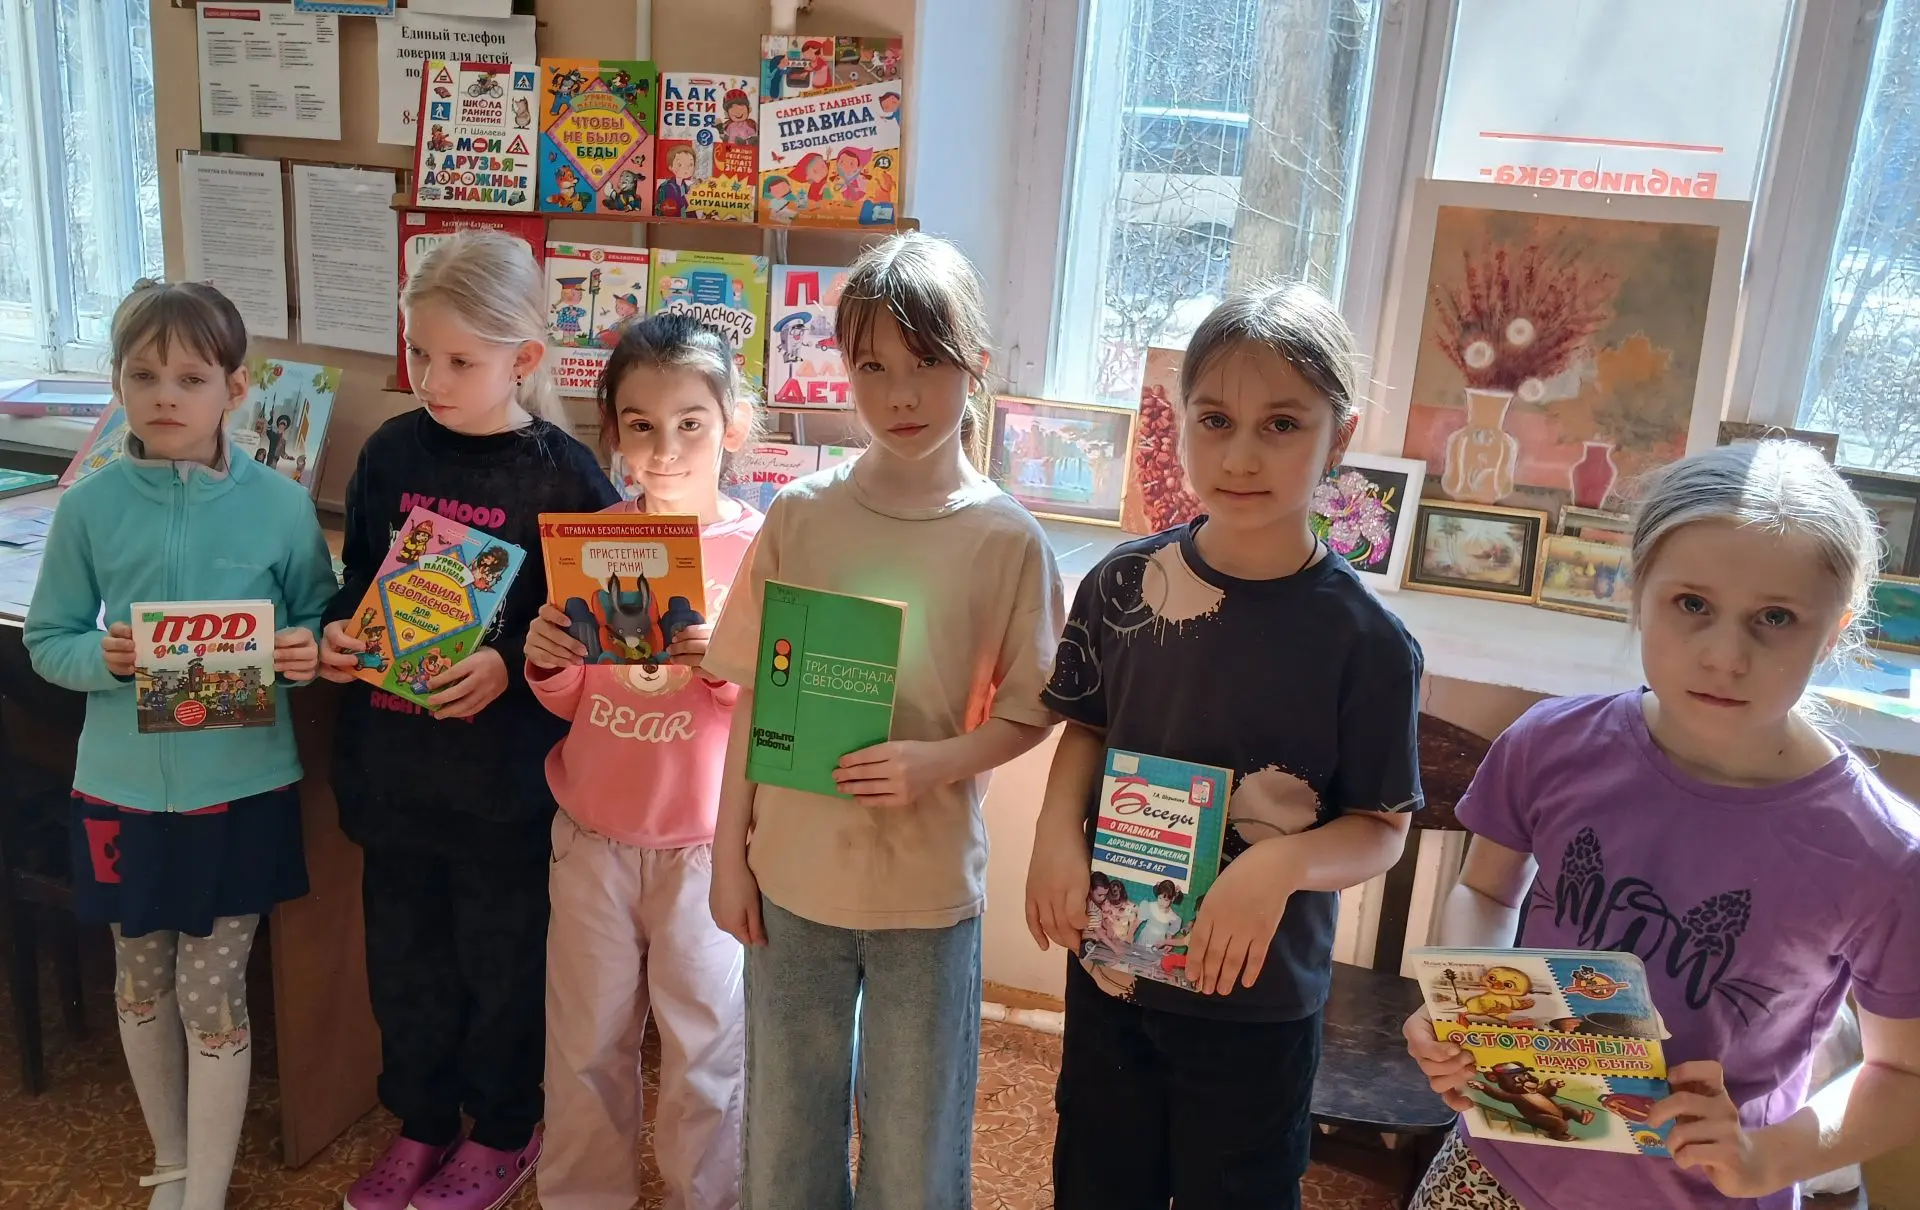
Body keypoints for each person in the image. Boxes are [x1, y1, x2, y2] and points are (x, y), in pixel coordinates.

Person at [1401, 440, 1920, 1210]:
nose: (1725, 656)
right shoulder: (1550, 744)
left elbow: (1903, 1072)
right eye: (1692, 605)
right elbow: (1485, 892)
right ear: (1638, 591)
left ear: (1834, 631)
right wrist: (1467, 1013)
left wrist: (1769, 1156)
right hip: (1497, 1167)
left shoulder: (1882, 852)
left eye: (1775, 618)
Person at [1025, 282, 1424, 1210]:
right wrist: (1053, 834)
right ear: (1179, 423)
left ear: (1339, 436)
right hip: (1114, 974)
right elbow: (1089, 725)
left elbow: (1381, 828)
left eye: (1281, 424)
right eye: (1216, 421)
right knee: (1097, 1182)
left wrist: (1279, 866)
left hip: (1257, 1001)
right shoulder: (1122, 583)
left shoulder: (1366, 643)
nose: (1241, 456)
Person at [703, 232, 1064, 1209]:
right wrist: (729, 856)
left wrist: (937, 762)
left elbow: (1031, 711)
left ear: (974, 365)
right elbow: (754, 695)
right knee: (786, 1145)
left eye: (927, 365)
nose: (901, 395)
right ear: (844, 371)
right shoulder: (801, 515)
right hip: (792, 882)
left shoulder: (1007, 538)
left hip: (926, 894)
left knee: (913, 1157)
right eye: (873, 368)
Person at [318, 232, 620, 1210]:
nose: (432, 378)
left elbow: (603, 629)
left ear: (523, 359)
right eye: (420, 352)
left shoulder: (566, 476)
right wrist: (338, 635)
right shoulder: (390, 451)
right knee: (406, 969)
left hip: (503, 790)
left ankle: (502, 1128)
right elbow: (357, 583)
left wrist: (510, 663)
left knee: (502, 970)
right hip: (395, 774)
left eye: (459, 360)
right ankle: (420, 1121)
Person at [24, 280, 335, 1210]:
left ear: (236, 390)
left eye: (191, 378)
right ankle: (171, 1161)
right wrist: (105, 659)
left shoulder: (279, 507)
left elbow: (319, 624)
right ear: (118, 382)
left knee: (211, 990)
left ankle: (205, 1187)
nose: (165, 395)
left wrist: (303, 651)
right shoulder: (89, 508)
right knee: (138, 981)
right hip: (119, 789)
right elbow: (50, 639)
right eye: (143, 375)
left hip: (238, 791)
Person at [528, 313, 764, 1210]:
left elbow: (775, 715)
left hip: (709, 850)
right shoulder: (591, 542)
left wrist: (727, 672)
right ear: (614, 432)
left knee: (708, 1051)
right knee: (584, 1045)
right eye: (641, 424)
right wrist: (549, 660)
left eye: (690, 423)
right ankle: (584, 1198)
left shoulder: (762, 550)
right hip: (593, 836)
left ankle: (711, 1198)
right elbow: (573, 698)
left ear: (732, 426)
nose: (664, 449)